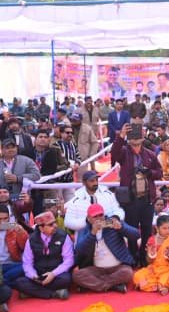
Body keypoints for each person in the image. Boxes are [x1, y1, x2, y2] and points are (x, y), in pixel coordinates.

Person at [110, 125, 163, 266]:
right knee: (131, 229)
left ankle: (145, 257)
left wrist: (149, 173)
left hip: (147, 199)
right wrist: (121, 135)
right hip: (130, 199)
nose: (136, 138)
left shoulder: (150, 154)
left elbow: (160, 172)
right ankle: (132, 256)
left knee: (147, 230)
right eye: (133, 135)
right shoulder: (124, 152)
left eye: (138, 134)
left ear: (143, 136)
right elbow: (114, 153)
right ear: (129, 137)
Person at [73, 204, 138, 293]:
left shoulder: (113, 222)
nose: (99, 218)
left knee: (128, 273)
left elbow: (136, 235)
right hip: (96, 269)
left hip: (117, 267)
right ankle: (114, 286)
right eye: (95, 216)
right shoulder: (84, 230)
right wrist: (92, 234)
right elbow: (79, 250)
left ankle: (97, 285)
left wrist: (121, 228)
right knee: (77, 275)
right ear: (89, 219)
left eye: (101, 215)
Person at [13, 210, 73, 300]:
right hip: (38, 274)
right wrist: (34, 276)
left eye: (55, 223)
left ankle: (33, 292)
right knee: (19, 282)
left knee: (66, 279)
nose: (55, 226)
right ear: (41, 228)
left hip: (56, 274)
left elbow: (69, 260)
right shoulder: (31, 240)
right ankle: (54, 293)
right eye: (51, 225)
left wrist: (53, 274)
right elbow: (27, 263)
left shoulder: (63, 236)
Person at [63, 170, 124, 236]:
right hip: (86, 237)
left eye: (96, 180)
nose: (95, 183)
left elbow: (119, 211)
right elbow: (68, 222)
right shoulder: (75, 200)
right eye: (92, 181)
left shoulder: (108, 195)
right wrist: (87, 221)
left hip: (108, 235)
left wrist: (114, 218)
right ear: (84, 183)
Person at [132, 215, 169, 294]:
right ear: (157, 228)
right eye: (164, 228)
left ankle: (160, 285)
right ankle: (161, 285)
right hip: (154, 268)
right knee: (137, 276)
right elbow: (148, 261)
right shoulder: (152, 240)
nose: (168, 231)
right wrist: (151, 254)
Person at [0, 139, 40, 203]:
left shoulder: (27, 161)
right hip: (0, 204)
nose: (11, 150)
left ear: (16, 148)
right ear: (2, 150)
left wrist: (18, 178)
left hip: (21, 201)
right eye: (7, 148)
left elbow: (37, 175)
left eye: (13, 147)